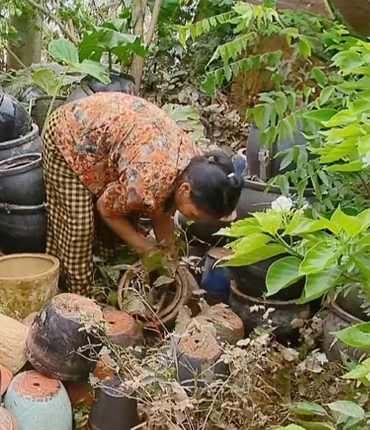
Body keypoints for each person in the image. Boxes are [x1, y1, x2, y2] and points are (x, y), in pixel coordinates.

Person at [42, 92, 243, 295]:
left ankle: (103, 277)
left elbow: (163, 209)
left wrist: (168, 251)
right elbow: (106, 208)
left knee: (122, 226)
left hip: (107, 139)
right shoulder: (146, 181)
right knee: (79, 227)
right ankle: (79, 297)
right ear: (185, 190)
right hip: (68, 136)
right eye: (194, 214)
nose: (192, 218)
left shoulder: (196, 168)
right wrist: (144, 246)